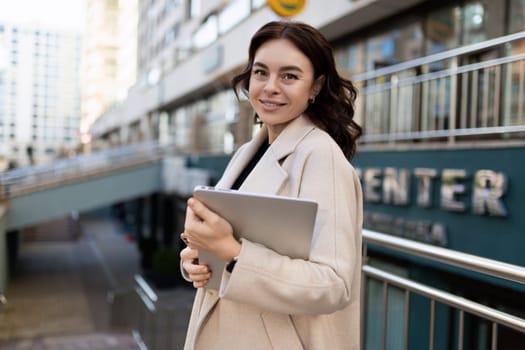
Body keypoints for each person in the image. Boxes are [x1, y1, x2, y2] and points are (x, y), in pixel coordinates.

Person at [180, 20, 363, 350]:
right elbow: (230, 239)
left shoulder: (320, 156)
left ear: (316, 87)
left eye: (289, 76)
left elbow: (334, 285)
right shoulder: (247, 153)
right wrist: (197, 259)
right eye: (261, 72)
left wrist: (233, 254)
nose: (269, 87)